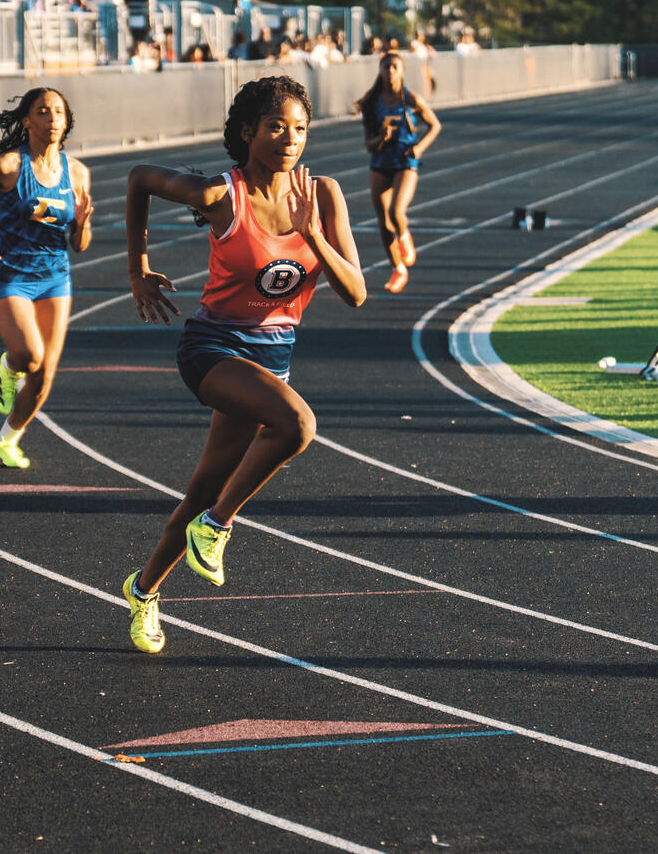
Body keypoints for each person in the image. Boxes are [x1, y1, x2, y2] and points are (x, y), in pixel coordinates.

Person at [119, 75, 367, 653]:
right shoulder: (220, 195)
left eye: (301, 128)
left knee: (204, 485)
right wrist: (138, 269)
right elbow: (138, 180)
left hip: (273, 356)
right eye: (277, 126)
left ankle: (144, 588)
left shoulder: (323, 195)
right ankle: (219, 526)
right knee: (297, 425)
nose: (290, 138)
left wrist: (314, 235)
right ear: (248, 131)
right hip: (213, 348)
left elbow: (355, 292)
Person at [0, 87, 93, 468]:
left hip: (54, 277)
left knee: (45, 375)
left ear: (67, 121)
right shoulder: (9, 166)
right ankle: (8, 369)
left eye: (58, 112)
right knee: (29, 355)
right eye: (43, 112)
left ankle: (9, 440)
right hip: (10, 274)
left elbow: (80, 244)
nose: (52, 120)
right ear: (27, 120)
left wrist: (82, 224)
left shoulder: (78, 173)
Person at [359, 51, 441, 293]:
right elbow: (368, 144)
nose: (390, 71)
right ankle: (398, 269)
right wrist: (381, 138)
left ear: (402, 71)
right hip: (381, 160)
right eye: (386, 67)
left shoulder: (410, 98)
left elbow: (435, 125)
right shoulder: (372, 103)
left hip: (405, 161)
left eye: (394, 67)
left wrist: (419, 147)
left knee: (396, 211)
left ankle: (404, 237)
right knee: (383, 221)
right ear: (380, 70)